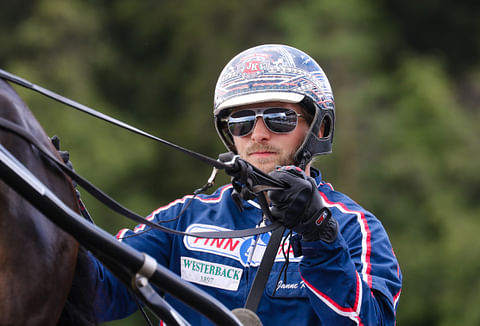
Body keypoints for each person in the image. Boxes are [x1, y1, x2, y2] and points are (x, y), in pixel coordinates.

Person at [89, 44, 402, 325]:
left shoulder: (354, 228)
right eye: (242, 121)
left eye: (280, 118)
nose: (258, 134)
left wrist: (319, 233)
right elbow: (93, 293)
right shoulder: (184, 218)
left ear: (319, 127)